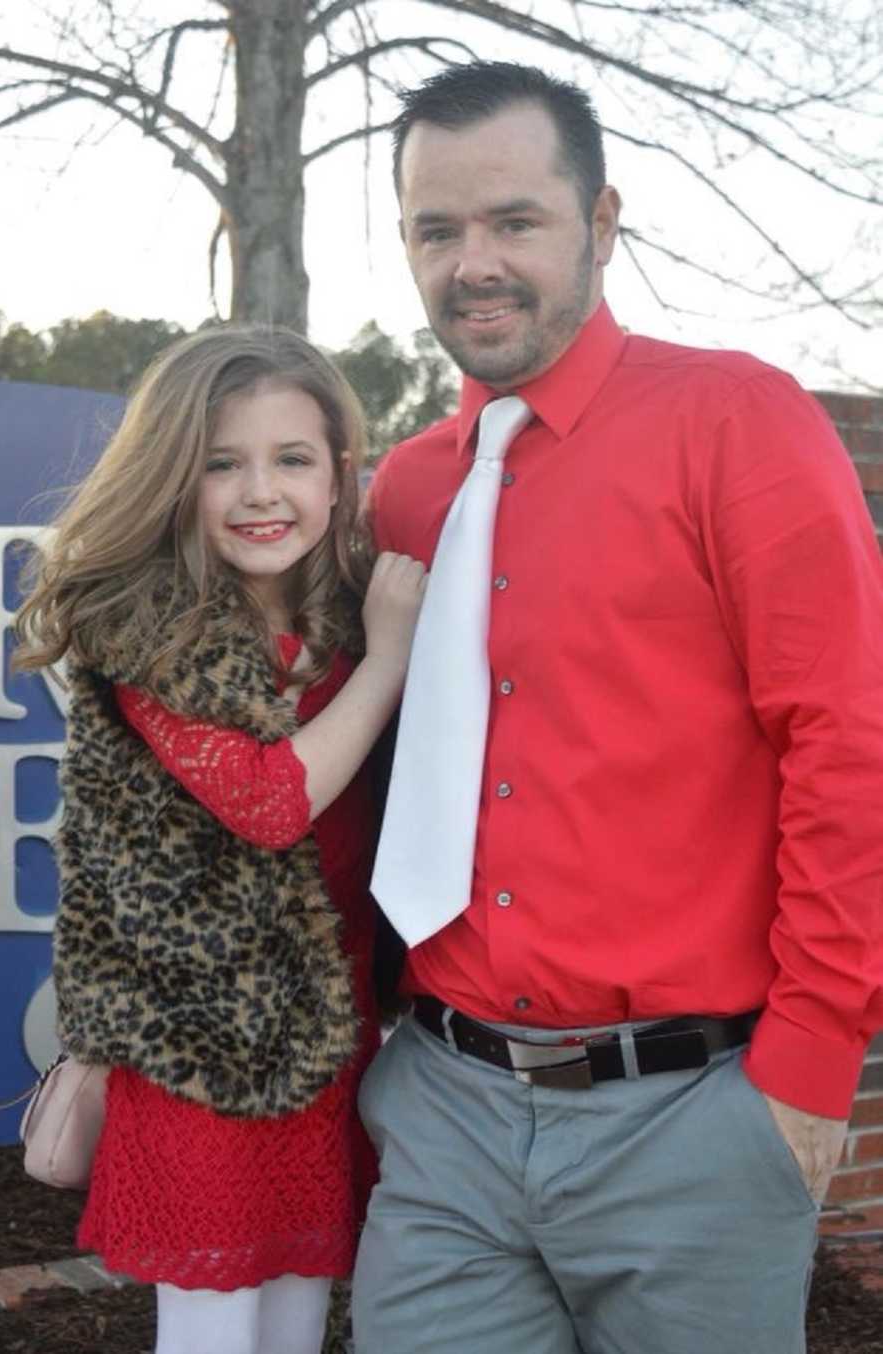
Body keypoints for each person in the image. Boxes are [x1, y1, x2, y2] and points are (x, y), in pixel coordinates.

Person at [352, 60, 883, 1354]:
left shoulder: (736, 422)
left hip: (692, 1117)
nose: (472, 261)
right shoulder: (404, 494)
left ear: (599, 223)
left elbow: (850, 739)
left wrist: (808, 1067)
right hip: (443, 1111)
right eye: (437, 229)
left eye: (514, 220)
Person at [12, 326, 425, 1354]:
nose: (260, 492)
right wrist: (390, 665)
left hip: (326, 1043)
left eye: (292, 459)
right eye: (221, 464)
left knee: (294, 1321)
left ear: (340, 475)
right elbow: (269, 801)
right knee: (212, 1334)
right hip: (202, 1056)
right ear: (173, 478)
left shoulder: (343, 622)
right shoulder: (154, 631)